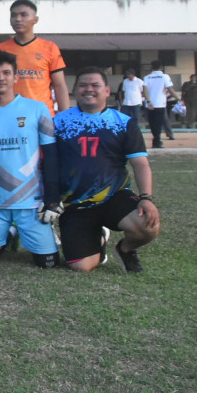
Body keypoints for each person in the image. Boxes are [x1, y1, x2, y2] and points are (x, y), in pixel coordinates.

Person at [54, 67, 160, 272]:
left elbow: (140, 164)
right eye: (83, 85)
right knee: (81, 266)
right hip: (75, 203)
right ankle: (99, 238)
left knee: (148, 225)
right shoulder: (59, 121)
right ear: (75, 90)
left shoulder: (123, 123)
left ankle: (126, 249)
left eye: (95, 85)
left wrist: (146, 197)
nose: (89, 89)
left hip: (114, 195)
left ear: (107, 90)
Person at [0, 51, 61, 268]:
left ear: (16, 78)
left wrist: (53, 196)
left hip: (31, 200)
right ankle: (9, 234)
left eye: (6, 73)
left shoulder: (37, 109)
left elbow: (51, 155)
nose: (0, 78)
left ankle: (18, 230)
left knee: (48, 264)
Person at [0, 0, 70, 113]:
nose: (18, 19)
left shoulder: (50, 48)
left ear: (35, 19)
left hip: (41, 115)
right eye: (13, 15)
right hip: (9, 113)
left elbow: (59, 86)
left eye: (23, 15)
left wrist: (64, 118)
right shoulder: (0, 49)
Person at [142, 61, 179, 149]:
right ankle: (157, 141)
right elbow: (170, 89)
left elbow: (145, 90)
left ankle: (156, 140)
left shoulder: (147, 77)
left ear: (152, 67)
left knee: (152, 123)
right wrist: (178, 98)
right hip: (160, 104)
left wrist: (148, 101)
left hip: (150, 104)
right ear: (161, 67)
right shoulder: (164, 77)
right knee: (158, 123)